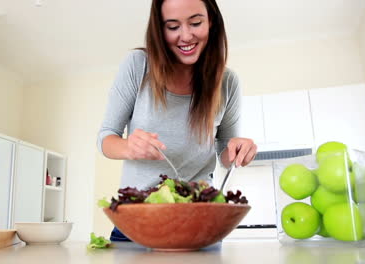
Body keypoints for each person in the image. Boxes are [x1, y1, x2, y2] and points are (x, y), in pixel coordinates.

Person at [97, 0, 257, 242]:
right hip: (137, 220)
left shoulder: (227, 83)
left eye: (195, 23)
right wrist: (129, 146)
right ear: (159, 31)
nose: (185, 36)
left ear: (211, 22)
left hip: (200, 220)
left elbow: (226, 151)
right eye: (172, 27)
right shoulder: (138, 66)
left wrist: (237, 149)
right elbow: (106, 138)